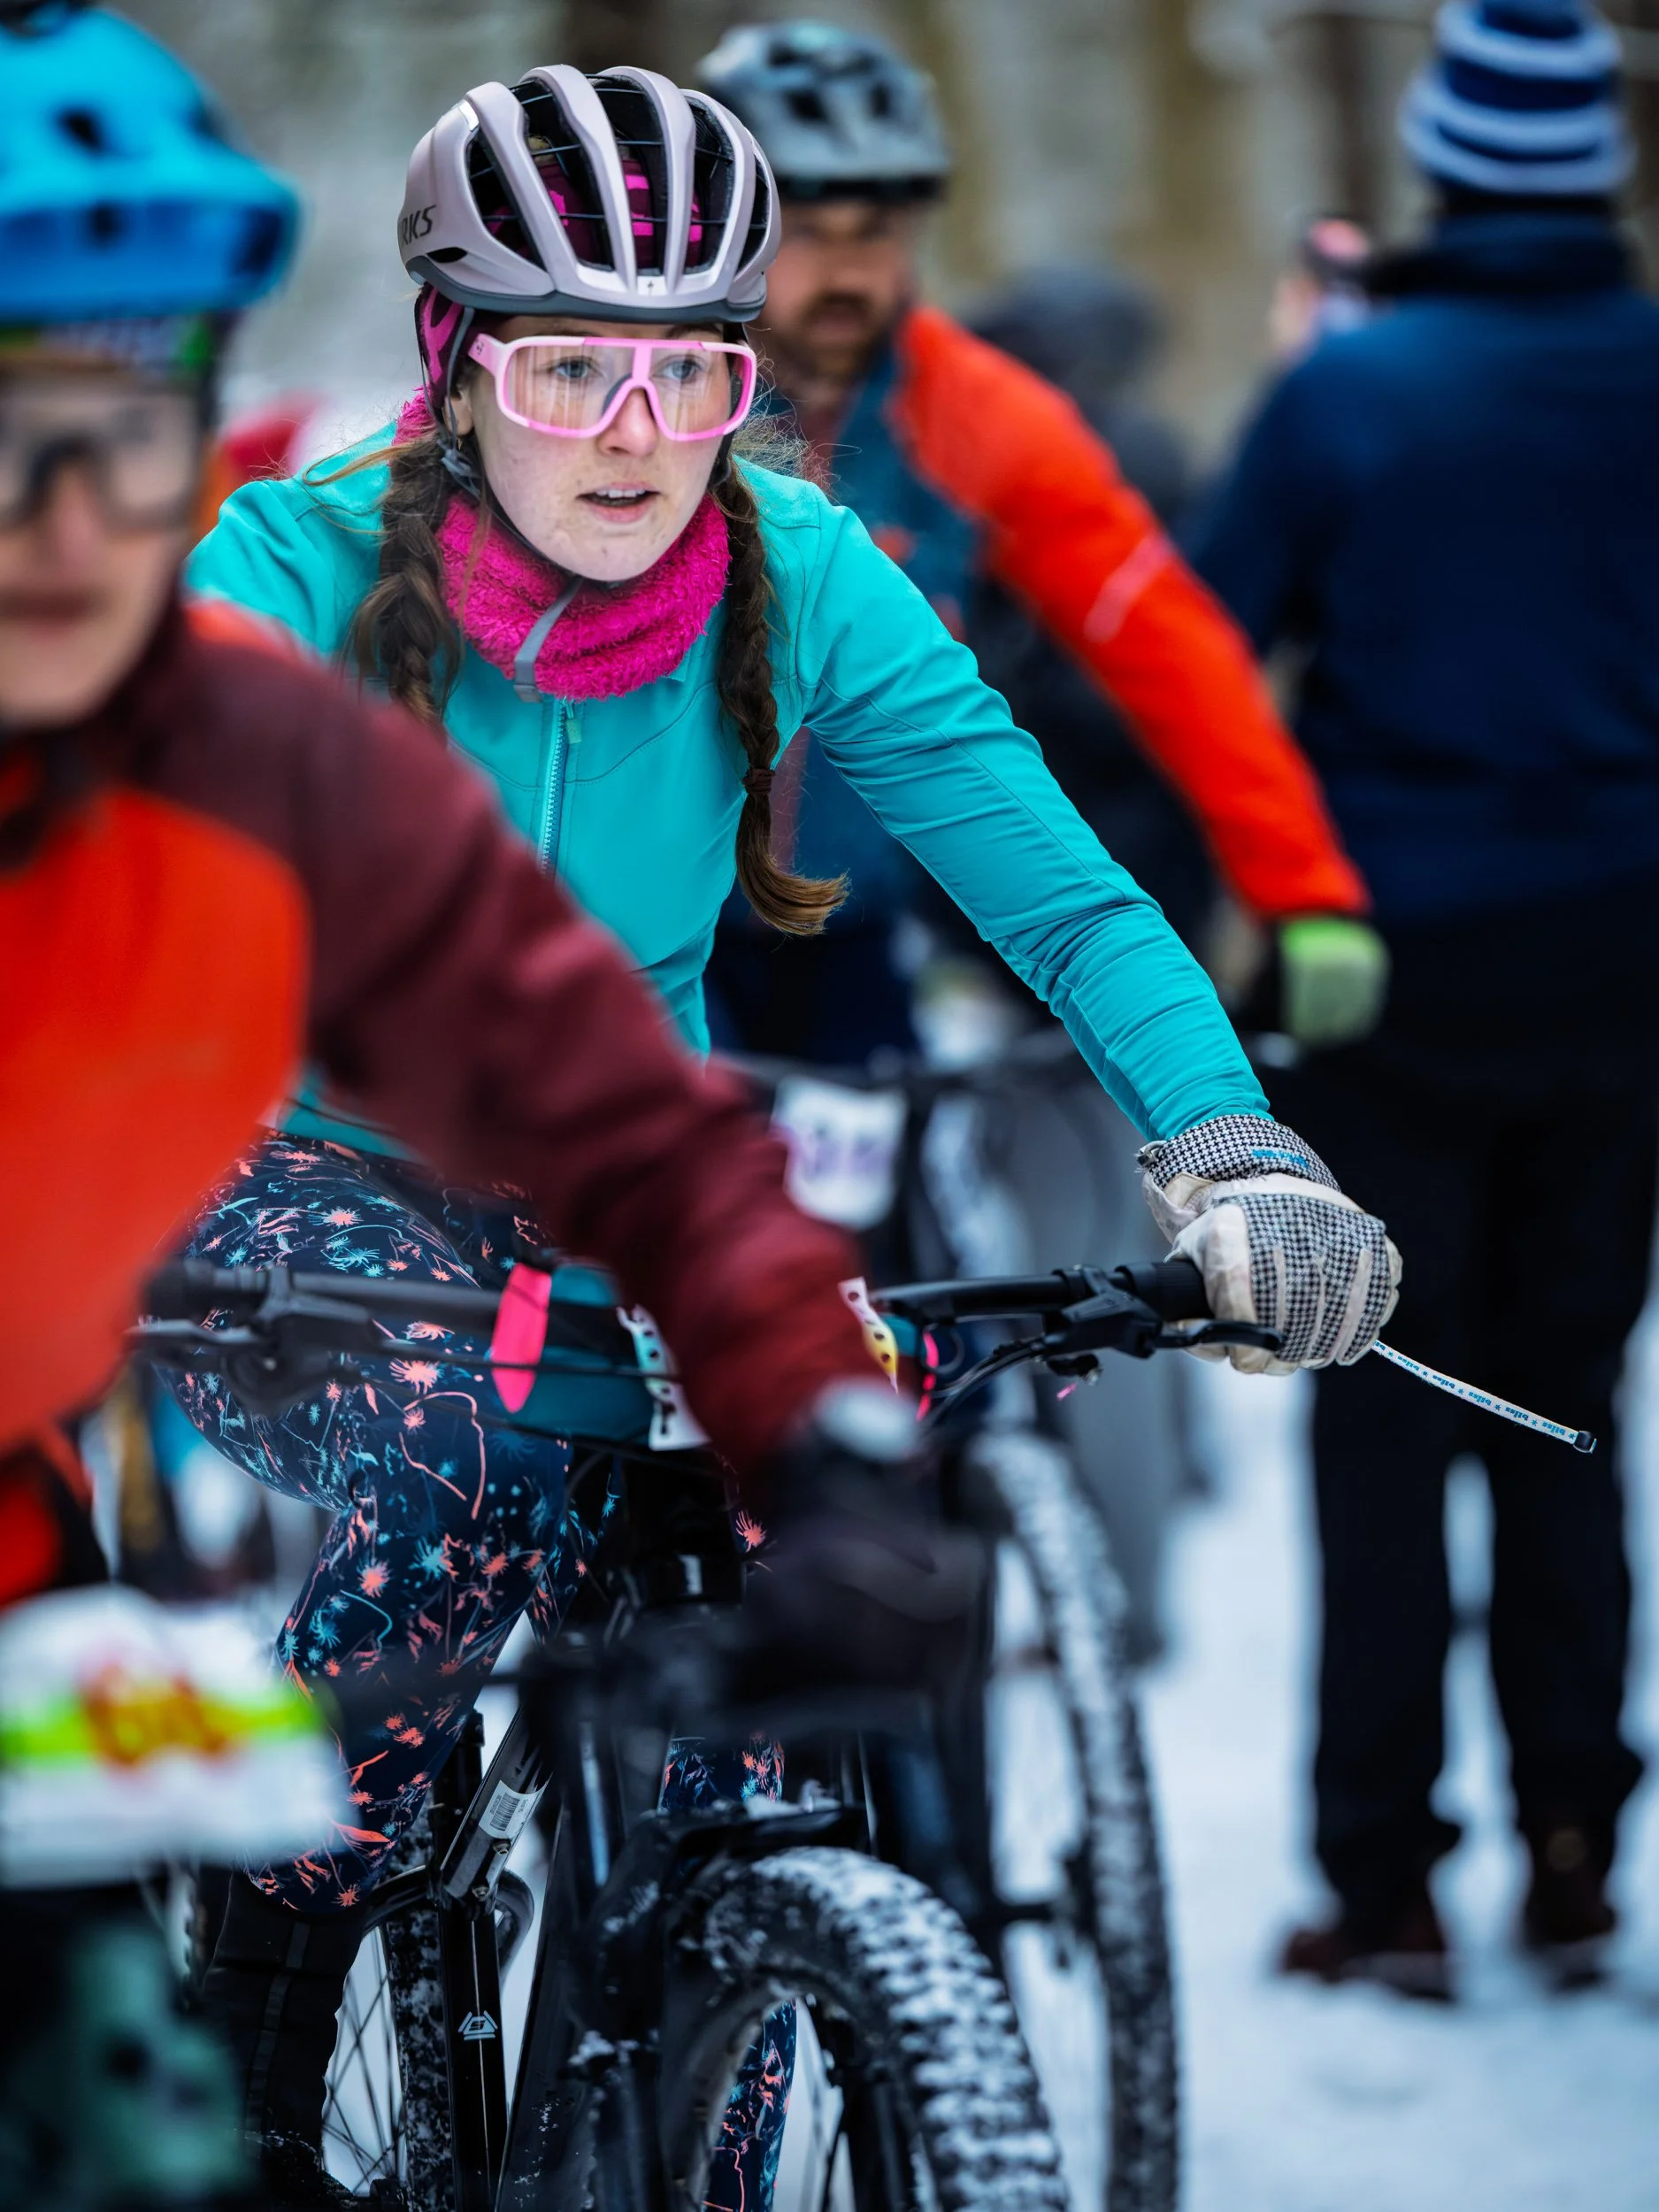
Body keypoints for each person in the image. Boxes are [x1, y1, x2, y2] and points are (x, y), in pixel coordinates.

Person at [180, 48, 1402, 2200]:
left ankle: (747, 2013)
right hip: (305, 1175)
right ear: (456, 369)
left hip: (620, 1165)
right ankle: (255, 2075)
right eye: (568, 372)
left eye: (688, 376)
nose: (634, 441)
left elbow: (1062, 893)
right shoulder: (278, 567)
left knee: (808, 1548)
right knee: (457, 1477)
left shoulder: (793, 566)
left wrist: (1231, 1148)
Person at [0, 9, 932, 2203]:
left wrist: (810, 1409)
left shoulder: (246, 729)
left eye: (121, 434)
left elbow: (614, 1105)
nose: (60, 524)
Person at [1188, 0, 1659, 1995]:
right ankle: (1572, 1843)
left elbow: (1206, 656)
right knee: (1565, 1403)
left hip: (1377, 965)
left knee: (1376, 1410)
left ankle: (1379, 1882)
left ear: (1444, 167)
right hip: (1624, 955)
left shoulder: (1349, 394)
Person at [696, 18, 1389, 1066]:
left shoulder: (975, 414)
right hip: (645, 927)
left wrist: (1302, 888)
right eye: (809, 230)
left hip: (851, 927)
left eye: (877, 231)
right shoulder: (649, 391)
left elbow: (1169, 647)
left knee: (881, 1223)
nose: (848, 272)